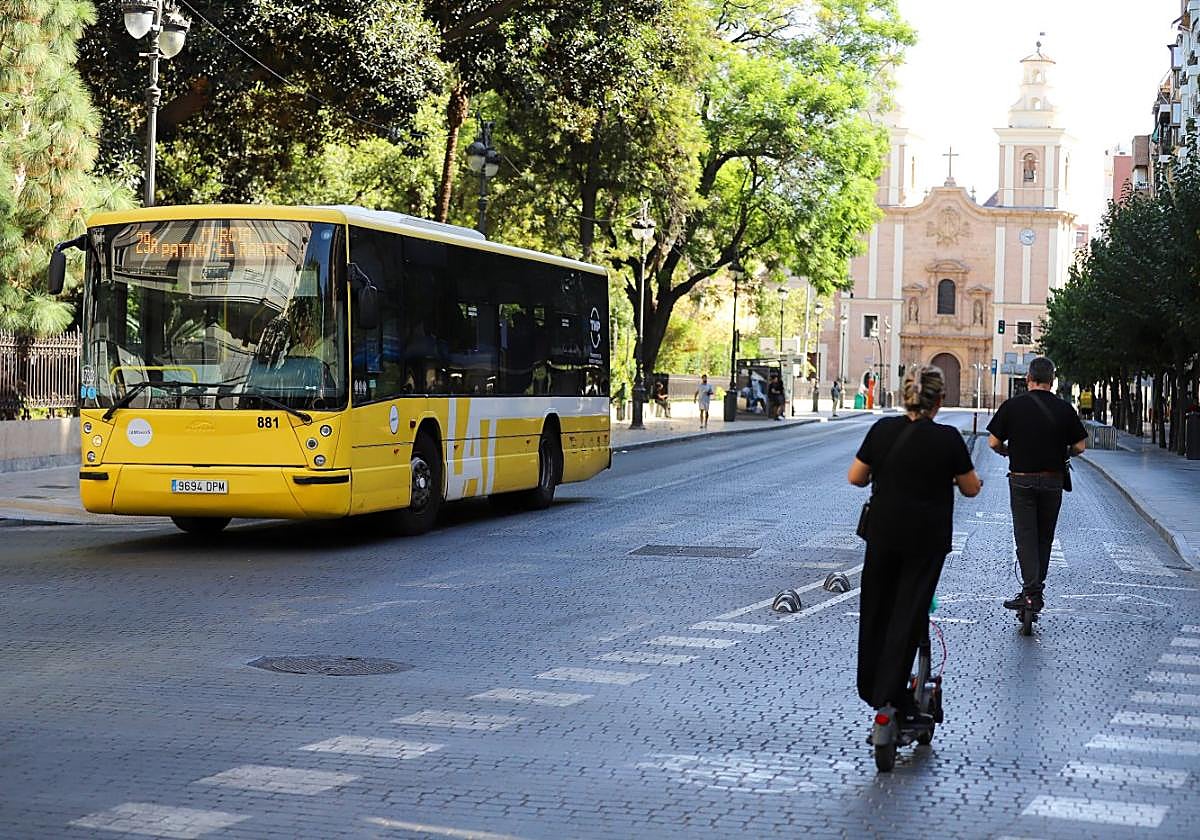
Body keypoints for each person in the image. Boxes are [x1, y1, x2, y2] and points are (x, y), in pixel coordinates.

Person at [847, 364, 982, 725]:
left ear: (905, 394)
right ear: (939, 400)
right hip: (926, 539)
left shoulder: (883, 430)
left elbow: (856, 476)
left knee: (877, 609)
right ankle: (895, 694)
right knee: (909, 612)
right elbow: (970, 488)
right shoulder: (948, 438)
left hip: (883, 534)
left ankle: (872, 686)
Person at [987, 356, 1087, 611]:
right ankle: (1034, 591)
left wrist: (1007, 452)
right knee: (1044, 538)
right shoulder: (1065, 409)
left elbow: (993, 442)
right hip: (1053, 480)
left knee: (1025, 536)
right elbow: (1080, 446)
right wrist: (1064, 453)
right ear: (1052, 382)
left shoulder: (1013, 406)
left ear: (1028, 379)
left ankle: (1031, 593)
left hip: (1021, 480)